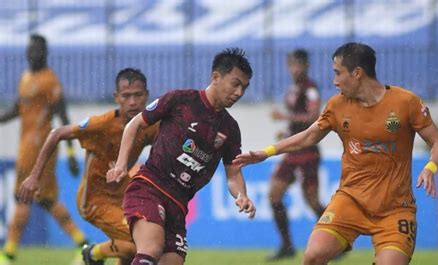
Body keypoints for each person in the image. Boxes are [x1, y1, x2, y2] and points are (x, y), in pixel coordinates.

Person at [233, 42, 438, 265]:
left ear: (357, 73)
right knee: (313, 256)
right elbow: (309, 136)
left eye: (338, 73)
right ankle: (288, 246)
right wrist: (267, 152)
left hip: (394, 209)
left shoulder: (406, 102)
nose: (334, 81)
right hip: (350, 202)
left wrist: (430, 167)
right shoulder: (337, 105)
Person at [106, 48, 257, 265]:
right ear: (216, 77)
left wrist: (241, 195)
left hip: (178, 204)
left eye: (244, 87)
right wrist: (121, 165)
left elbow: (233, 173)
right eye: (235, 84)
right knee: (151, 248)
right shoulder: (181, 100)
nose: (239, 92)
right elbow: (134, 124)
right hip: (149, 187)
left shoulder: (230, 129)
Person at [19, 68, 159, 265]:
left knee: (134, 250)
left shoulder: (149, 126)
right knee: (143, 243)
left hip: (123, 198)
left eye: (138, 95)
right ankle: (92, 254)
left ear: (147, 95)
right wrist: (34, 176)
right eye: (126, 96)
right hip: (95, 200)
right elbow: (57, 133)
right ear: (116, 97)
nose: (133, 102)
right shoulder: (101, 125)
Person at [0, 34, 86, 265]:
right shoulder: (26, 77)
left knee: (22, 197)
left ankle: (8, 254)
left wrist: (70, 154)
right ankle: (83, 244)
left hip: (41, 149)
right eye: (29, 50)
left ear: (45, 53)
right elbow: (19, 108)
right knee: (47, 200)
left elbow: (63, 115)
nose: (31, 54)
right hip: (25, 146)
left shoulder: (50, 81)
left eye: (36, 50)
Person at [266, 48, 325, 261]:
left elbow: (314, 117)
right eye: (291, 65)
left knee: (312, 201)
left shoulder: (311, 89)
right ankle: (287, 245)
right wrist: (288, 130)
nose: (294, 69)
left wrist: (285, 116)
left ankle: (340, 239)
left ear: (306, 66)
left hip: (308, 150)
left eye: (298, 65)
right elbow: (300, 121)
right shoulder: (292, 89)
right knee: (274, 195)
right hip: (293, 151)